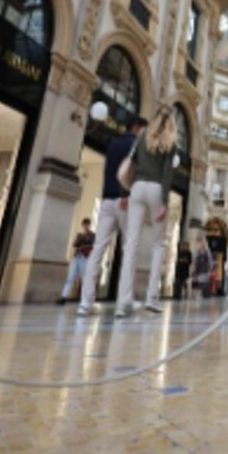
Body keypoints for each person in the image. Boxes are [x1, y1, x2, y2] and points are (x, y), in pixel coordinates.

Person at [77, 116, 145, 317]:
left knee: (98, 250)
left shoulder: (113, 143)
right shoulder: (136, 144)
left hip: (107, 200)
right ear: (136, 127)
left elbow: (110, 171)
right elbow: (132, 173)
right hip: (125, 201)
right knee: (130, 249)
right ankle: (124, 303)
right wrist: (126, 195)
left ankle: (85, 303)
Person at [116, 104, 177, 318]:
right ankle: (152, 298)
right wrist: (164, 202)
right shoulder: (170, 141)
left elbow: (130, 163)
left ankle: (123, 302)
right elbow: (167, 174)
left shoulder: (142, 136)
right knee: (158, 244)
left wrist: (125, 194)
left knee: (131, 243)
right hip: (156, 189)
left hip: (137, 188)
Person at [57, 218, 95, 305]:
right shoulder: (79, 235)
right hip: (77, 257)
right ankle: (64, 297)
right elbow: (75, 244)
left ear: (89, 225)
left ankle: (86, 297)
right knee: (70, 277)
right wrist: (82, 238)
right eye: (84, 225)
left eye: (87, 225)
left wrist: (84, 244)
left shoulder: (92, 235)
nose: (86, 226)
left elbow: (92, 245)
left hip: (85, 257)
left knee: (84, 278)